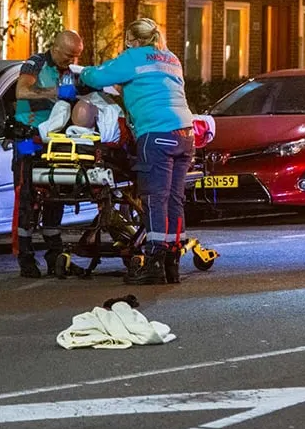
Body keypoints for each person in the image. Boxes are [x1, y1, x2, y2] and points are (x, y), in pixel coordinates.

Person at [79, 18, 194, 285]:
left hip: (156, 135)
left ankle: (153, 263)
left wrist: (81, 73)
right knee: (174, 200)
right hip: (185, 134)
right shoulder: (171, 58)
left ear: (133, 39)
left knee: (155, 199)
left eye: (127, 40)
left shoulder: (133, 57)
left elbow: (97, 75)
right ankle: (171, 264)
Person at [13, 29, 84, 278]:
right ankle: (26, 259)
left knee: (56, 194)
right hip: (28, 138)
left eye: (75, 57)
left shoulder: (68, 72)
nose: (71, 61)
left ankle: (55, 256)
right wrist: (54, 93)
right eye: (67, 56)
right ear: (55, 48)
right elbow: (21, 91)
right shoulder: (36, 63)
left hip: (55, 140)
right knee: (27, 197)